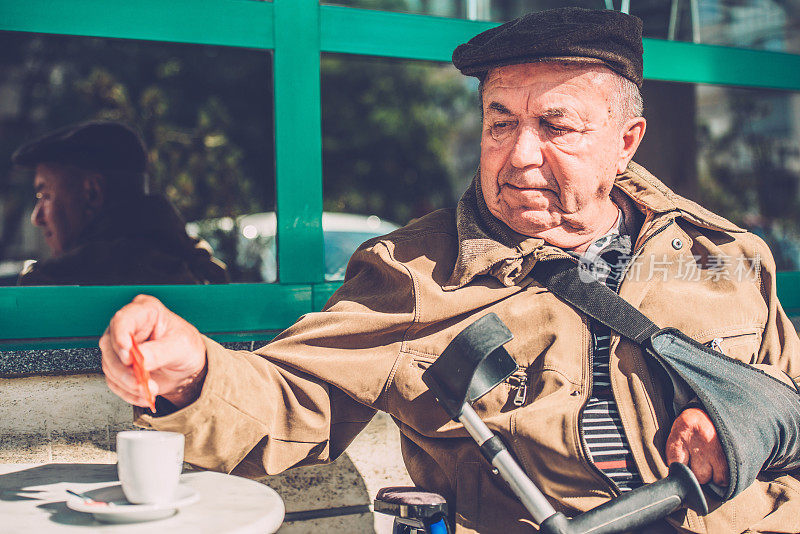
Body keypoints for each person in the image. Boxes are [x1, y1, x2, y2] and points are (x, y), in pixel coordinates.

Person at [99, 8, 800, 533]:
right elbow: (290, 397)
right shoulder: (413, 272)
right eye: (501, 122)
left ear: (626, 141)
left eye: (555, 126)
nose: (520, 154)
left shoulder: (729, 257)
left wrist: (746, 431)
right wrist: (192, 373)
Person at [12, 120, 229, 285]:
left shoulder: (57, 282)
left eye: (45, 196)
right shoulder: (204, 269)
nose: (36, 218)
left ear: (92, 194)